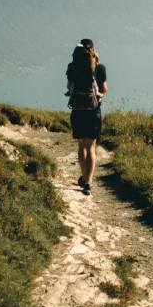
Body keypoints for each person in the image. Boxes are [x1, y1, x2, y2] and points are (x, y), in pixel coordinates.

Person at [66, 39, 107, 195]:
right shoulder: (99, 68)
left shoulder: (72, 67)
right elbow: (104, 89)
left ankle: (84, 177)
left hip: (77, 110)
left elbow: (69, 86)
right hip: (93, 111)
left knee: (81, 145)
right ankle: (88, 182)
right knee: (91, 146)